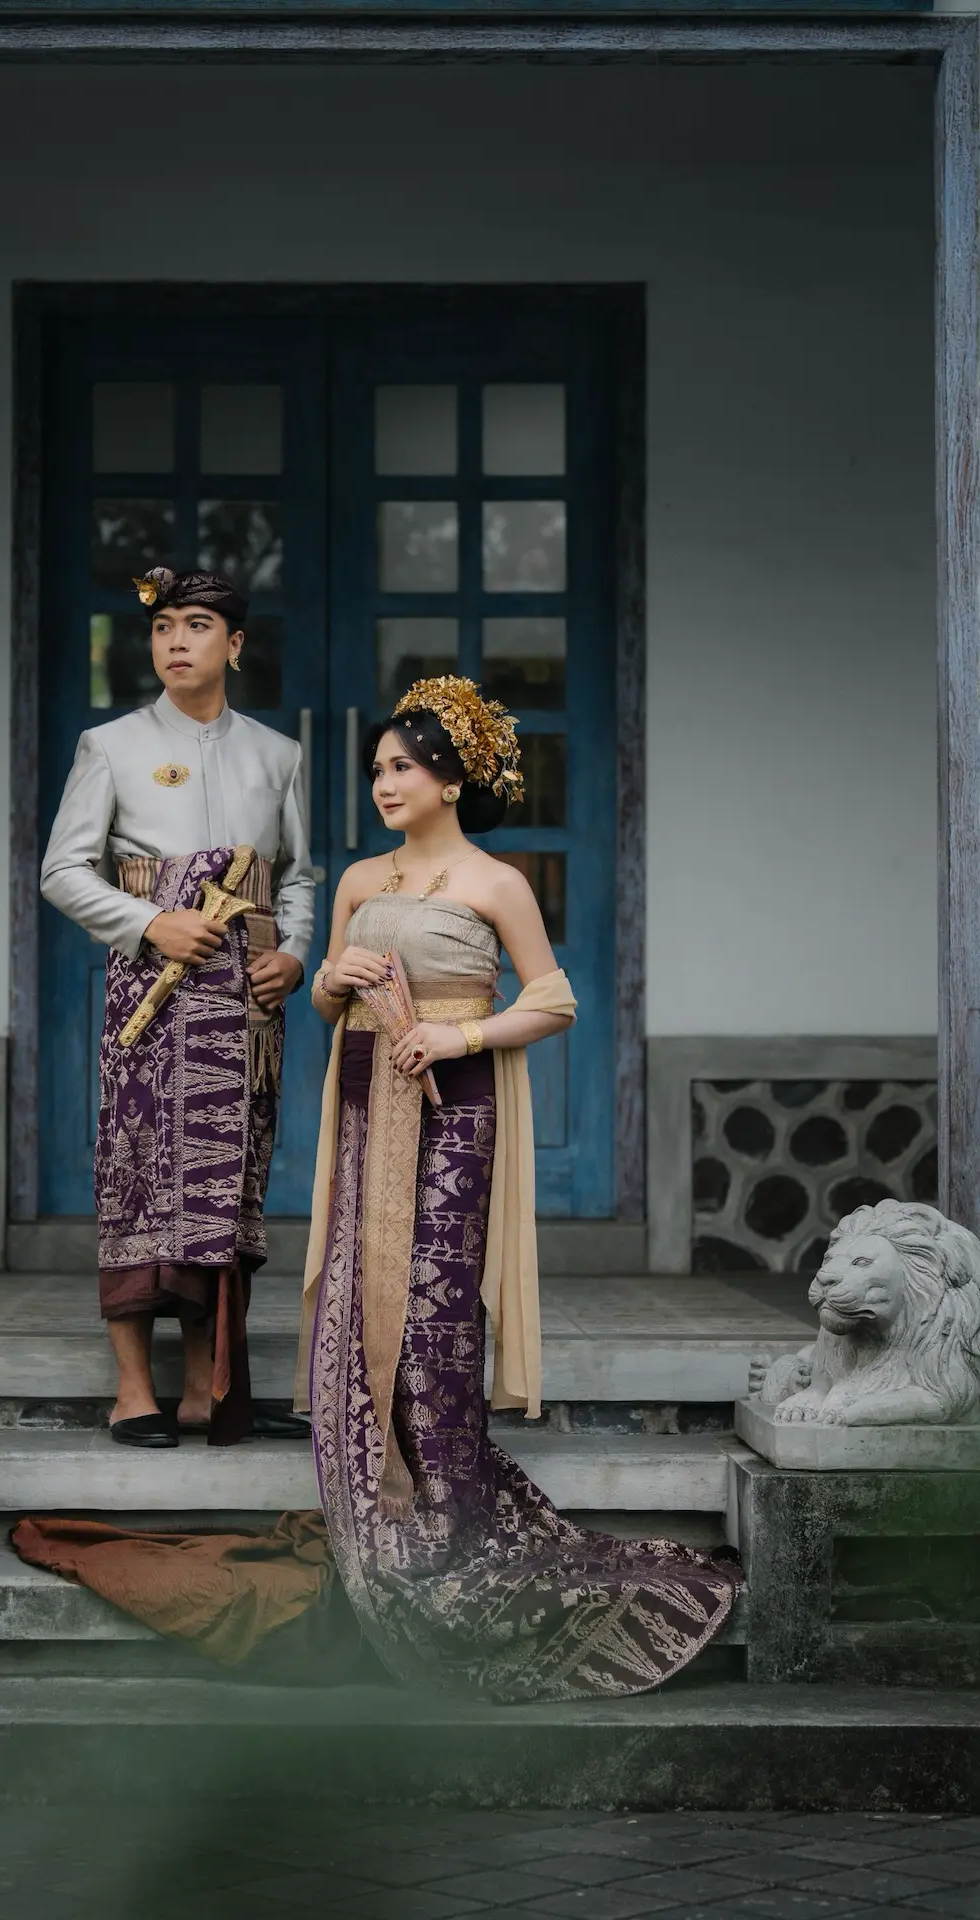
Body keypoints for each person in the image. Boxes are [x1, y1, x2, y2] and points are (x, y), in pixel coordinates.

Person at [295, 675, 740, 1699]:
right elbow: (324, 1001)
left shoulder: (494, 884)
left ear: (451, 778)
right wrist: (332, 981)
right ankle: (374, 1512)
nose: (383, 785)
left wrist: (458, 1035)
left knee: (432, 1309)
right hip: (364, 1109)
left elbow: (555, 1000)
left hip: (452, 1111)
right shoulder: (358, 880)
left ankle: (442, 1510)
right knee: (359, 1297)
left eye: (402, 768)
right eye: (376, 770)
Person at [41, 567, 313, 1449]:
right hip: (152, 1004)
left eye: (197, 626)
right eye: (163, 628)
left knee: (226, 1189)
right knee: (140, 1179)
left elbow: (298, 876)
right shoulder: (111, 745)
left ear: (235, 644)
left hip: (245, 1006)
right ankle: (133, 1391)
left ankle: (206, 1389)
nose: (176, 643)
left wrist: (294, 956)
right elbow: (62, 873)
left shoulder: (277, 755)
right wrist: (151, 923)